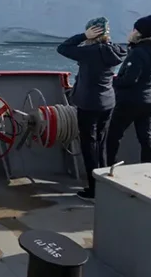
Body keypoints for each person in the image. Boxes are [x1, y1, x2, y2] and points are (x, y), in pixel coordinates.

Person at [56, 17, 127, 201]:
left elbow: (62, 48)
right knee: (101, 143)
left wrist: (83, 36)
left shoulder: (89, 52)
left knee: (89, 145)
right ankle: (104, 184)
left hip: (88, 104)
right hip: (107, 102)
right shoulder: (115, 50)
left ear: (91, 31)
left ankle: (94, 189)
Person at [107, 15, 151, 166]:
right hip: (149, 101)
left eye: (134, 29)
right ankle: (148, 168)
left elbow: (129, 79)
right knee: (146, 138)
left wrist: (111, 80)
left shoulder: (138, 53)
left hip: (129, 101)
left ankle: (108, 167)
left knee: (113, 136)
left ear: (139, 32)